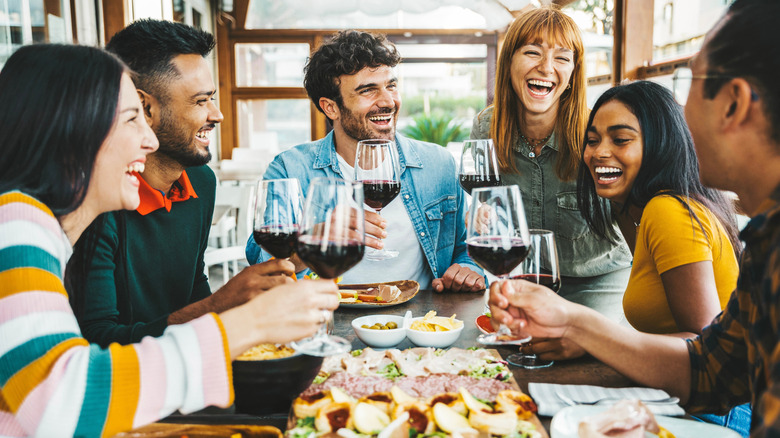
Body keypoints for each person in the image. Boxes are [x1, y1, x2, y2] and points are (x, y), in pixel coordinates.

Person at [0, 43, 337, 437]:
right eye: (131, 120)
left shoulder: (39, 231)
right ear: (70, 130)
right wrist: (249, 323)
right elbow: (61, 404)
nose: (149, 139)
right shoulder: (14, 221)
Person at [490, 0, 780, 434]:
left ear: (733, 103)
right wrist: (573, 323)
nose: (679, 112)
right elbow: (713, 368)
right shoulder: (763, 239)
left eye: (691, 84)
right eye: (593, 140)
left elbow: (705, 361)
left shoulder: (670, 210)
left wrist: (577, 326)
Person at [70, 19, 295, 347]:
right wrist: (222, 305)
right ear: (145, 109)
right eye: (201, 101)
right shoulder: (98, 199)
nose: (217, 115)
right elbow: (98, 341)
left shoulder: (202, 182)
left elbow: (192, 290)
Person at [245, 30, 484, 293]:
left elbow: (465, 248)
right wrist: (315, 241)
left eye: (391, 85)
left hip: (419, 321)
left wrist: (468, 268)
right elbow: (263, 268)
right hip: (325, 320)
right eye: (368, 90)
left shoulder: (438, 164)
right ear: (330, 107)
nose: (388, 101)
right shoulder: (290, 169)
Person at [470, 6, 632, 320]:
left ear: (572, 74)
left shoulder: (597, 132)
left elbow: (635, 214)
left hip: (598, 282)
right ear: (510, 64)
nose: (546, 68)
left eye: (561, 57)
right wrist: (484, 215)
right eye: (533, 52)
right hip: (525, 280)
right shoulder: (485, 128)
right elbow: (485, 203)